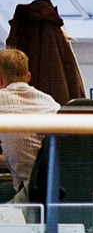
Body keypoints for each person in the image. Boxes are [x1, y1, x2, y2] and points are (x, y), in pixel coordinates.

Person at [0, 48, 61, 201]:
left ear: (0, 80)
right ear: (28, 77)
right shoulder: (49, 101)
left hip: (27, 195)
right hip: (55, 189)